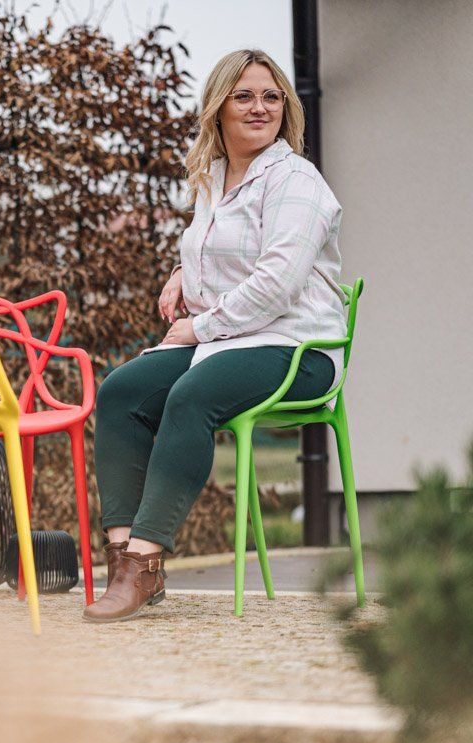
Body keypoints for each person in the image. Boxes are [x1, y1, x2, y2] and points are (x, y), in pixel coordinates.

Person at [83, 49, 347, 623]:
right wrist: (184, 271)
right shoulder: (214, 177)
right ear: (218, 108)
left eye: (272, 97)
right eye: (244, 96)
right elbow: (224, 247)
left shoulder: (296, 181)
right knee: (121, 392)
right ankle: (121, 559)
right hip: (229, 343)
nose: (259, 107)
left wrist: (198, 326)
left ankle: (145, 562)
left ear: (287, 109)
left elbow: (277, 283)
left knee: (191, 396)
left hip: (297, 347)